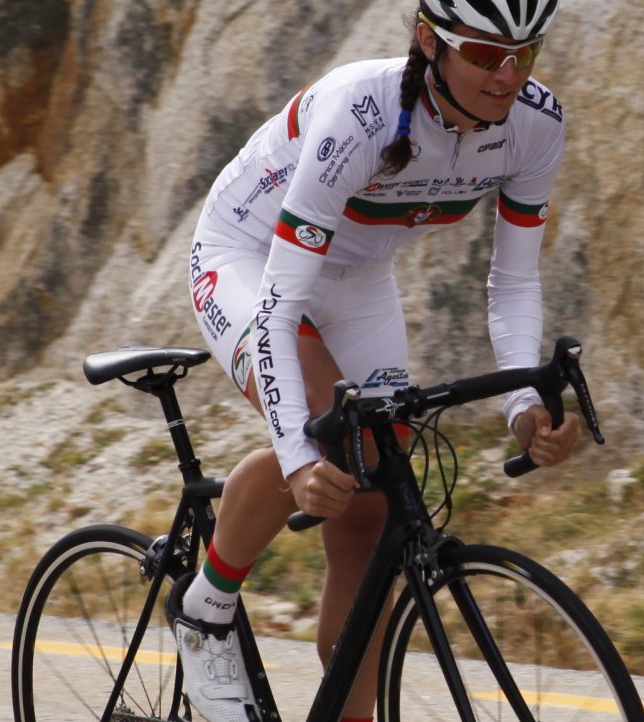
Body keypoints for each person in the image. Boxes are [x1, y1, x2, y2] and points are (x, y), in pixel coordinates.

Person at [171, 2, 583, 720]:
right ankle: (205, 608)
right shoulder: (359, 115)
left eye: (525, 55)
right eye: (485, 55)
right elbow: (278, 307)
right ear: (430, 41)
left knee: (374, 495)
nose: (507, 76)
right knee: (331, 432)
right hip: (250, 258)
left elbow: (514, 281)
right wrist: (298, 460)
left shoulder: (535, 124)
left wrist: (524, 406)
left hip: (358, 275)